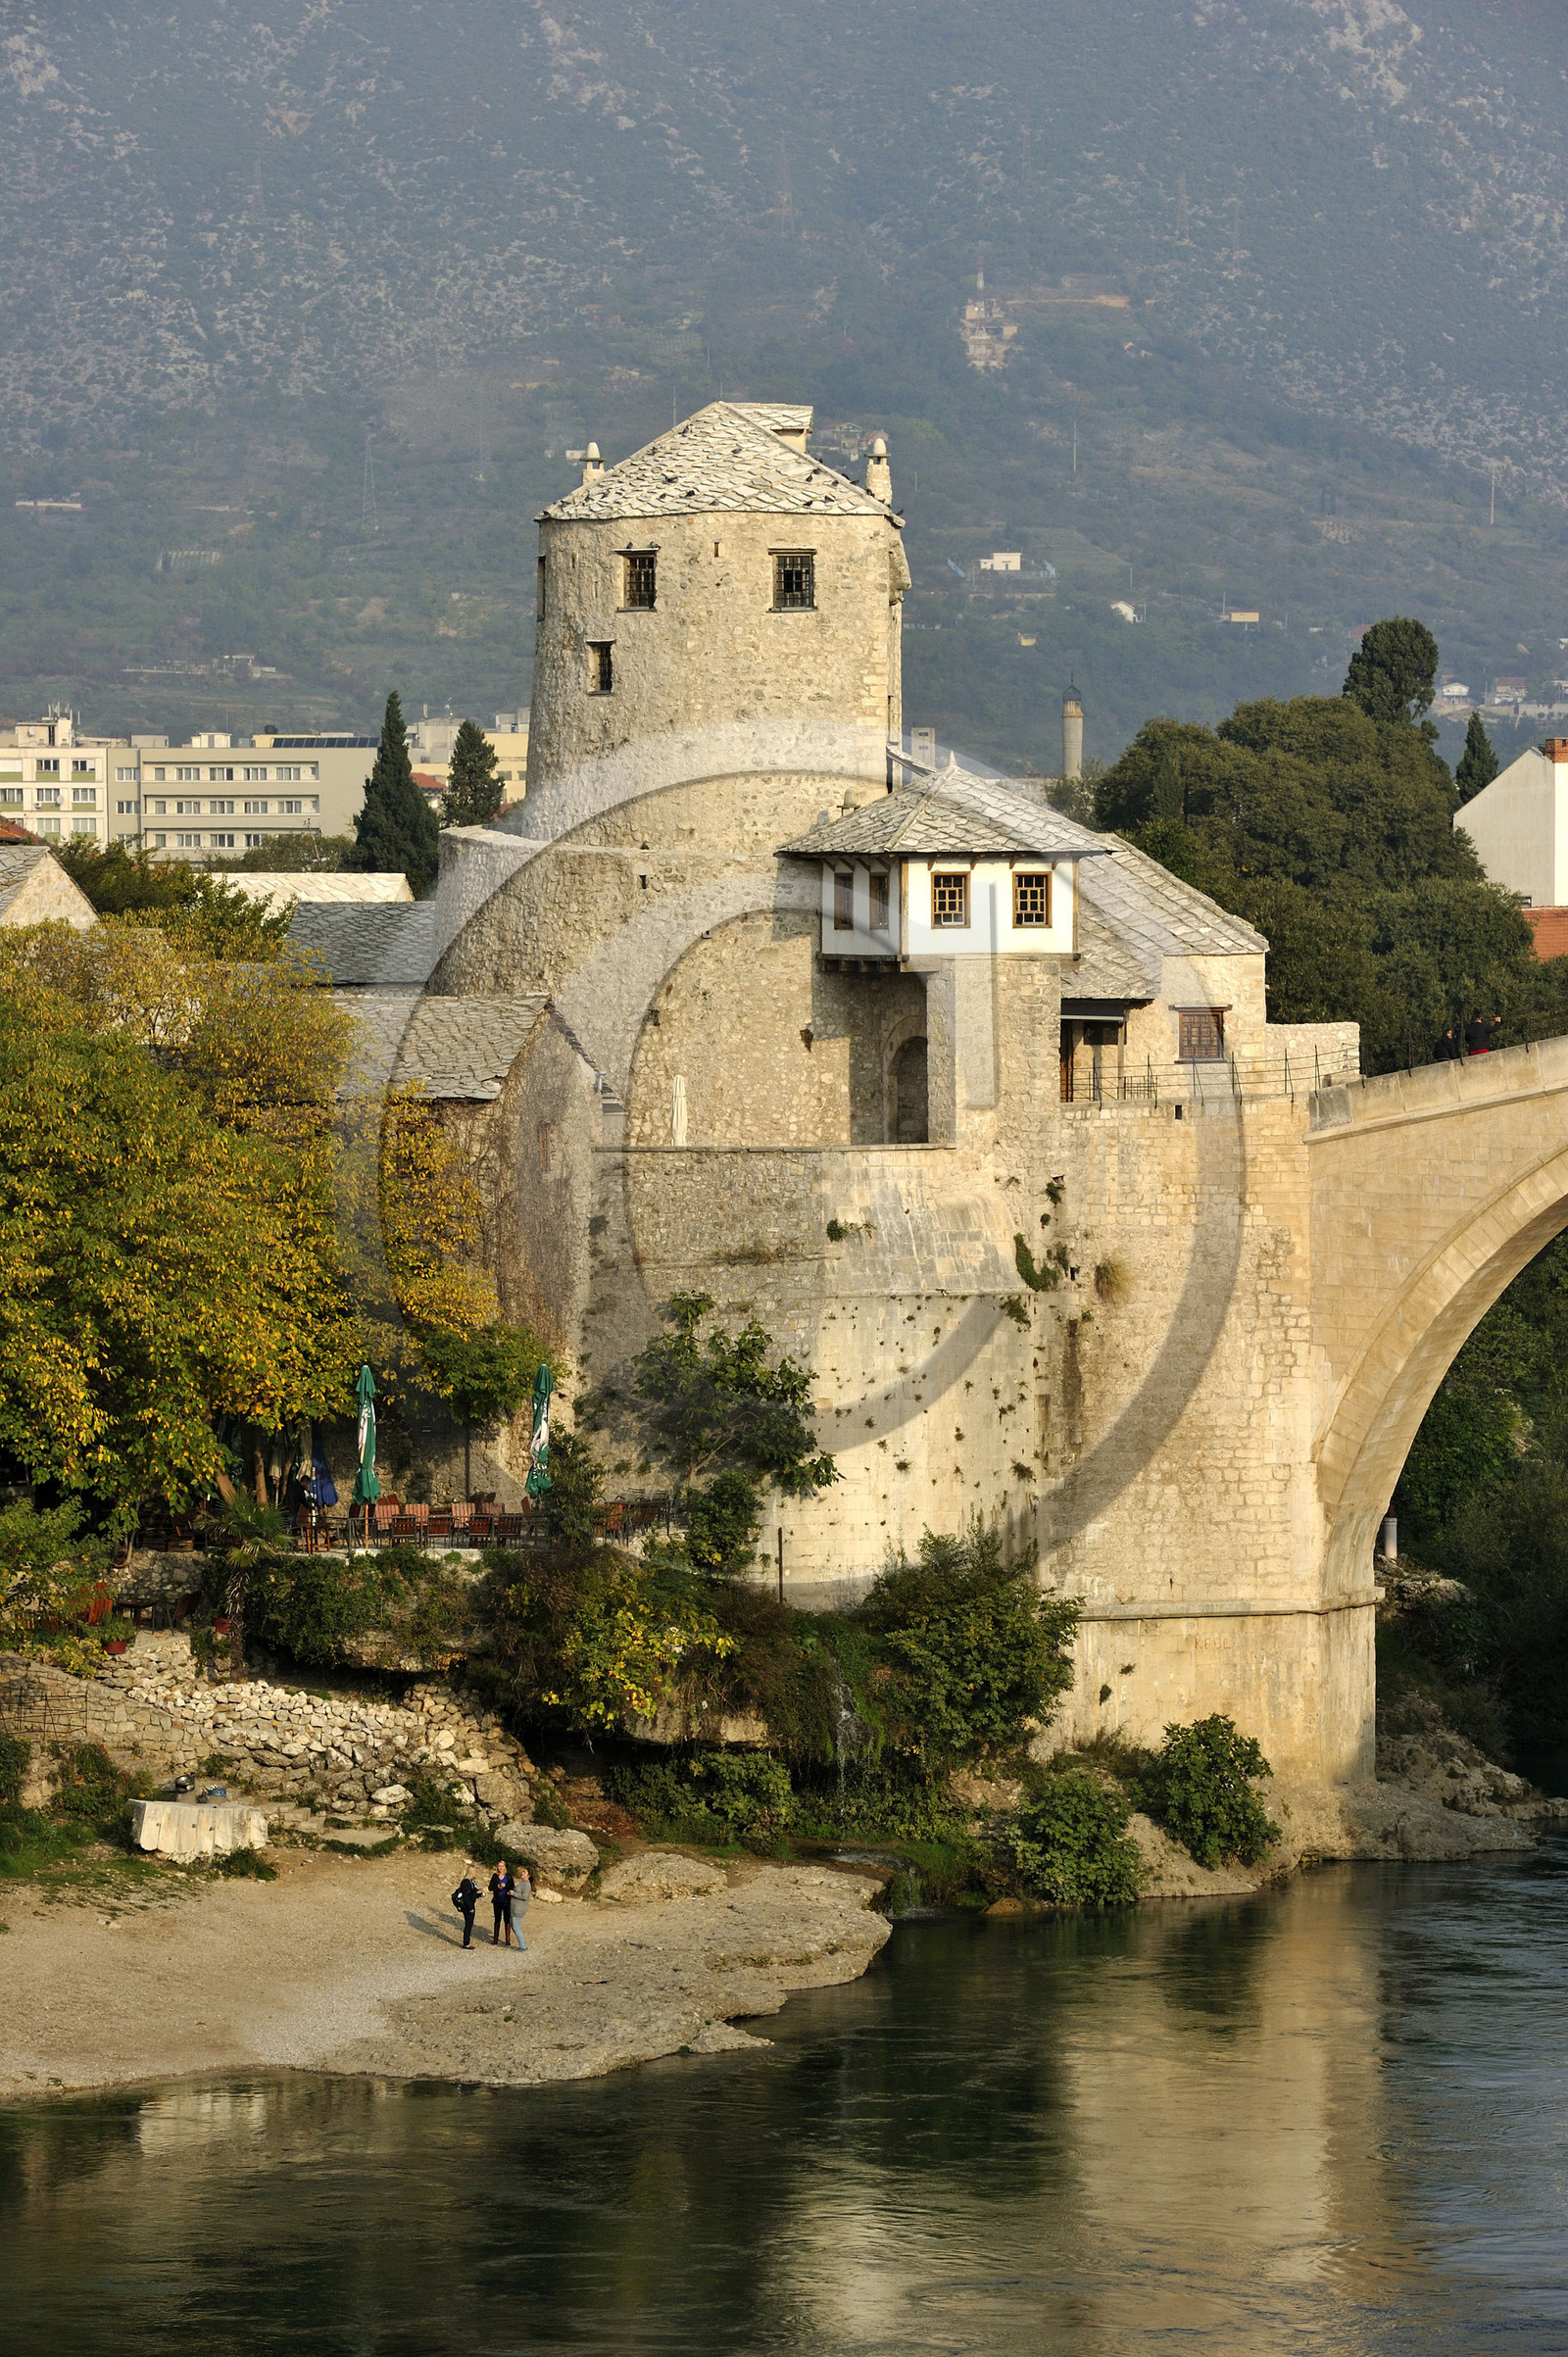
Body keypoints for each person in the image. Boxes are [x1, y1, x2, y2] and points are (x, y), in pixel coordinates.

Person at [452, 1867, 481, 1949]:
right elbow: (465, 1896)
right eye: (475, 1872)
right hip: (468, 1906)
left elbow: (471, 1895)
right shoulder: (466, 1882)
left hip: (470, 1905)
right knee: (468, 1924)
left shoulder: (471, 1881)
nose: (476, 1874)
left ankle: (467, 1941)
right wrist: (470, 1907)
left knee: (470, 1924)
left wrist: (480, 1895)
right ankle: (466, 1943)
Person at [488, 1859, 514, 1946]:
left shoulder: (509, 1876)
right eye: (499, 1866)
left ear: (505, 1867)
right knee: (497, 1919)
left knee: (507, 1919)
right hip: (497, 1900)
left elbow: (512, 1886)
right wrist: (497, 1886)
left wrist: (505, 1886)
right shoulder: (495, 1876)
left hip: (506, 1900)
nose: (501, 1868)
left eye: (502, 1866)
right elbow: (490, 1887)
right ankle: (495, 1939)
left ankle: (507, 1939)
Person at [509, 1861, 531, 1953]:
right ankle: (522, 1945)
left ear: (528, 1875)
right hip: (515, 1908)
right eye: (522, 1871)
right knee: (514, 1926)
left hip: (519, 1909)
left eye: (524, 1872)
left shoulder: (527, 1884)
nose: (522, 1873)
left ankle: (523, 1946)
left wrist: (514, 1893)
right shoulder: (523, 1883)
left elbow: (525, 1896)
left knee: (516, 1927)